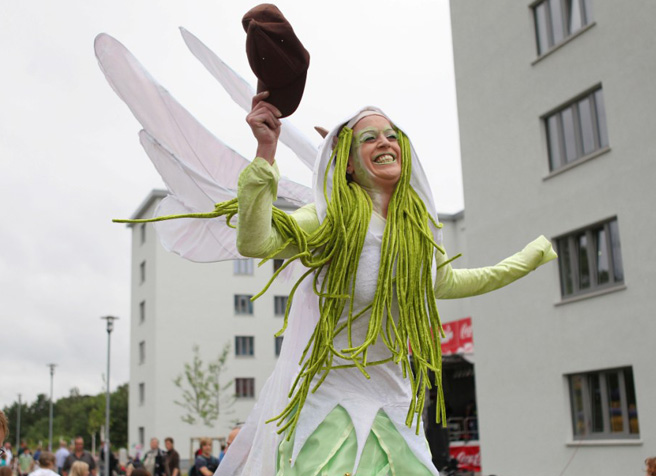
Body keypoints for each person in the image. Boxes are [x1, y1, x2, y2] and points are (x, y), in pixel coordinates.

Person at [212, 95, 557, 475]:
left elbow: (447, 281)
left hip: (392, 398)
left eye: (391, 136)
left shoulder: (417, 228)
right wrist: (265, 152)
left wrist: (527, 259)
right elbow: (256, 242)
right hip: (330, 401)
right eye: (369, 138)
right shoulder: (331, 218)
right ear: (346, 164)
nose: (385, 143)